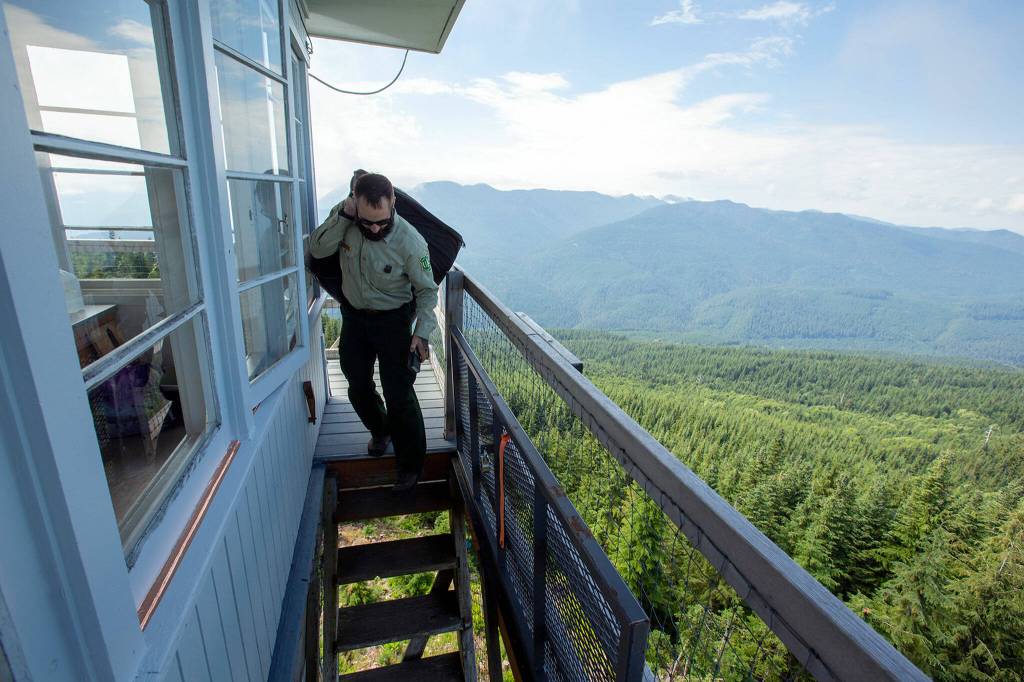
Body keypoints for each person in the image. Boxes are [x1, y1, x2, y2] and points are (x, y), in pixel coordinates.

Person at [309, 172, 438, 491]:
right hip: (354, 317)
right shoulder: (346, 220)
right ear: (355, 203)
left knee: (399, 394)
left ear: (393, 203)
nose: (376, 228)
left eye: (382, 221)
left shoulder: (410, 241)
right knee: (356, 381)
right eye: (368, 222)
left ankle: (410, 465)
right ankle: (381, 430)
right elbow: (318, 248)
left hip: (394, 322)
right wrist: (344, 217)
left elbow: (427, 291)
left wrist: (421, 333)